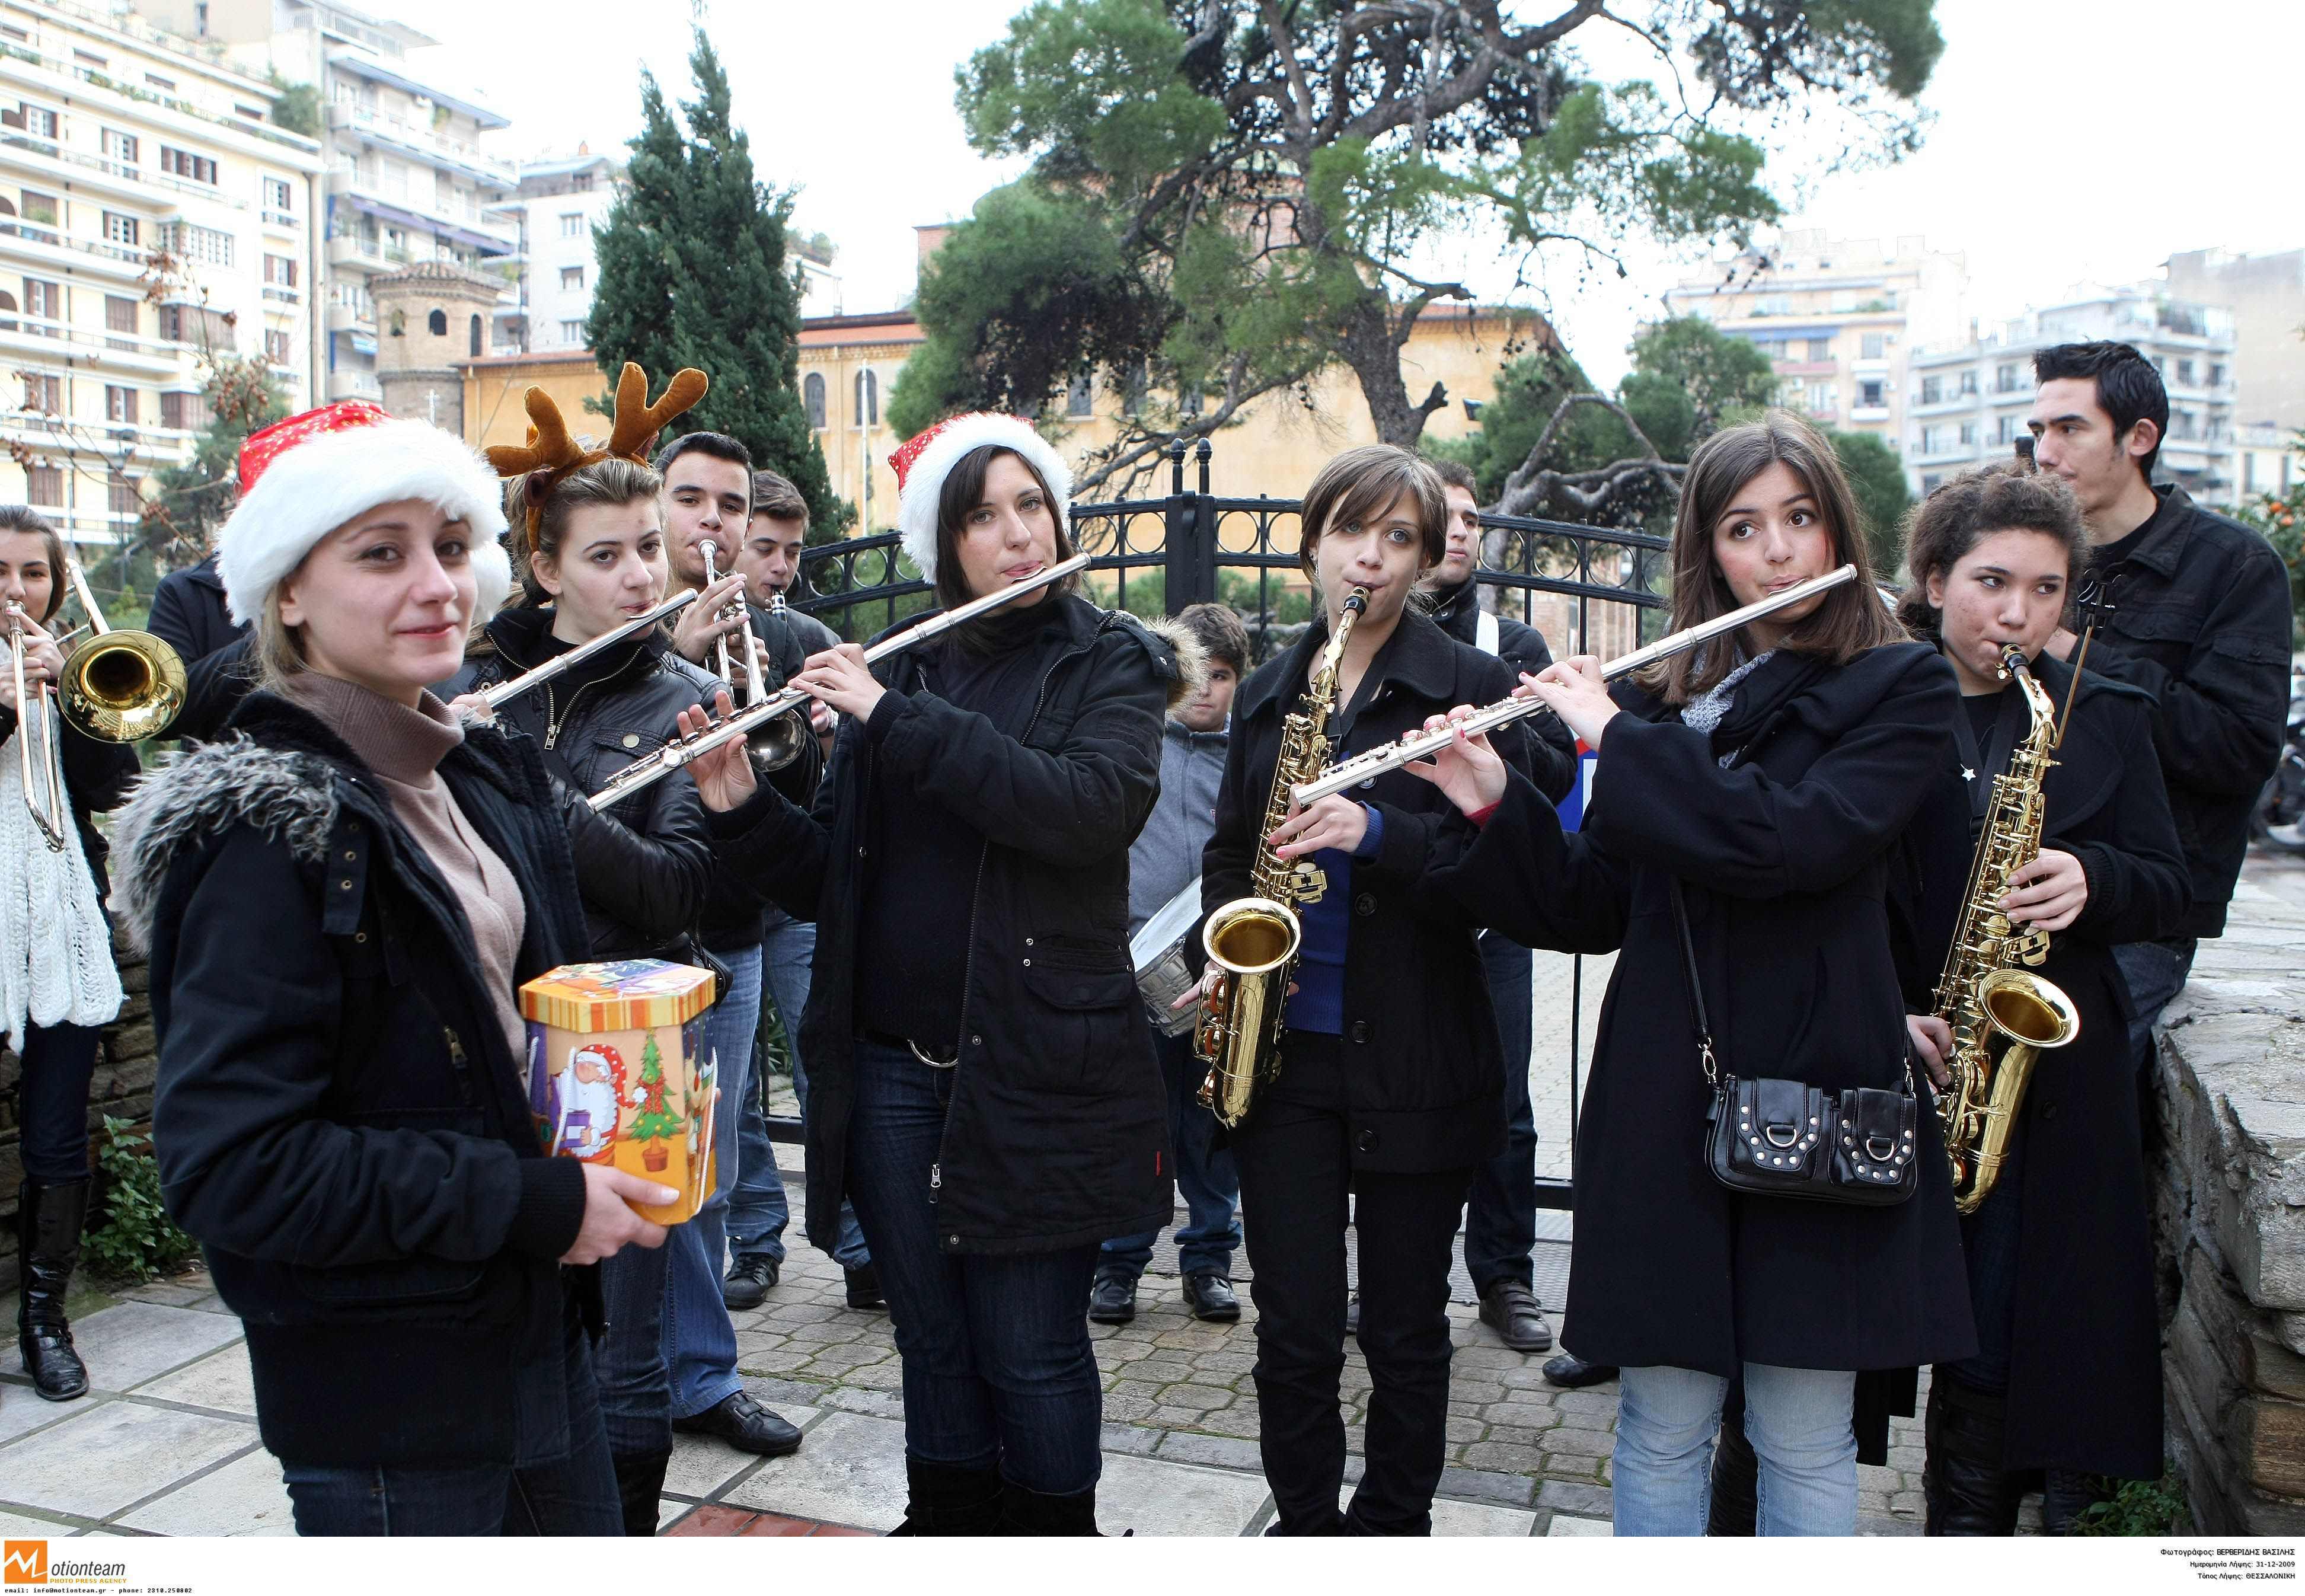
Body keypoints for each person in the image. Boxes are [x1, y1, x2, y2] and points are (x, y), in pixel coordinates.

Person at [1412, 411, 1976, 1536]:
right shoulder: (1679, 698)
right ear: (1708, 552)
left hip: (1819, 1087)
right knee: (1658, 1425)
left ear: (1834, 528)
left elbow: (1793, 841)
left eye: (1799, 519)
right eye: (1742, 527)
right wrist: (1489, 796)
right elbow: (1592, 901)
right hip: (1668, 1092)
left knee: (1803, 1435)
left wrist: (1613, 740)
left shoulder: (1898, 688)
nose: (1776, 552)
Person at [119, 401, 672, 1535]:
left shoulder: (473, 771)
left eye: (452, 547)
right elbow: (239, 1168)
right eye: (381, 553)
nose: (438, 585)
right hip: (387, 1391)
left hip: (530, 1323)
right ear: (286, 590)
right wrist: (530, 1199)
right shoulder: (263, 830)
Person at [672, 411, 1182, 1535]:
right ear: (942, 543)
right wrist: (743, 812)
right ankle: (943, 1526)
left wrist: (896, 720)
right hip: (892, 1070)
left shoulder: (1111, 659)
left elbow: (1082, 812)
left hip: (1034, 1063)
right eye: (982, 516)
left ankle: (1052, 1539)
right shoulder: (901, 664)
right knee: (931, 1334)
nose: (1016, 535)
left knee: (1030, 1343)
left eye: (1030, 506)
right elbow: (840, 883)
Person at [446, 425, 809, 1520]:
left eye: (649, 547)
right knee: (509, 1320)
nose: (642, 573)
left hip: (630, 1049)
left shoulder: (685, 697)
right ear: (545, 569)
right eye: (605, 555)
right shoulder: (472, 687)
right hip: (497, 1033)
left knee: (626, 1343)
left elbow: (678, 892)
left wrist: (532, 792)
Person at [1196, 443, 1535, 1536]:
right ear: (1310, 545)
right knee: (1291, 1324)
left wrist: (1379, 830)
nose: (1373, 558)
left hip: (1418, 1052)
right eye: (1353, 530)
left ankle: (1392, 1527)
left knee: (1403, 1327)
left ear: (1431, 560)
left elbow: (1513, 868)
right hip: (1284, 1051)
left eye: (1401, 538)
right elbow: (1228, 850)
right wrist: (1219, 946)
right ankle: (1303, 1527)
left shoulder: (1470, 692)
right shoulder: (1264, 692)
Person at [1892, 464, 2186, 1533]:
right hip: (1915, 1047)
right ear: (1931, 580)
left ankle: (2022, 1522)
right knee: (1937, 1313)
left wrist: (2094, 878)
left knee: (2041, 1322)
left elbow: (2172, 883)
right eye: (1990, 582)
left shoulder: (2101, 712)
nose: (2018, 614)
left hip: (2055, 1064)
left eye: (2047, 589)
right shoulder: (1880, 699)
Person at [2025, 343, 2293, 1087]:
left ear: (2139, 438)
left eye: (2070, 429)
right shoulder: (2036, 558)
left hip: (2144, 911)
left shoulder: (2235, 567)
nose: (2045, 453)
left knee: (2062, 1100)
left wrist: (2074, 654)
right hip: (2021, 885)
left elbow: (2238, 749)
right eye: (2037, 430)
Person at [1416, 457, 1578, 1355]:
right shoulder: (1376, 638)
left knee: (1507, 1103)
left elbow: (1557, 771)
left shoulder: (1514, 644)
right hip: (1405, 905)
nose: (1463, 531)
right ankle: (1409, 1272)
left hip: (1496, 914)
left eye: (1473, 518)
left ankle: (1505, 1277)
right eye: (1444, 516)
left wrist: (1498, 731)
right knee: (1405, 1096)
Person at [714, 467, 876, 1313]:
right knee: (736, 1085)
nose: (780, 567)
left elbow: (843, 765)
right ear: (727, 549)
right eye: (765, 550)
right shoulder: (690, 638)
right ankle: (754, 1239)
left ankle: (857, 1246)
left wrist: (832, 727)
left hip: (799, 885)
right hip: (726, 890)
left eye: (791, 551)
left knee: (824, 1066)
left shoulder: (807, 632)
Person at [2, 507, 141, 1401]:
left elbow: (119, 790)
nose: (15, 593)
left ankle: (45, 1323)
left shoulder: (77, 673)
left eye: (34, 575)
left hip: (56, 918)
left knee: (58, 1132)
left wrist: (79, 706)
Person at [1088, 601, 1236, 1326]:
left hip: (1218, 972)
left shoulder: (1249, 756)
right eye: (1194, 674)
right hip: (1135, 964)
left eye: (1223, 675)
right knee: (1133, 1122)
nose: (1206, 688)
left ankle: (1208, 1260)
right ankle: (1118, 1262)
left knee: (1209, 1125)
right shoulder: (1137, 741)